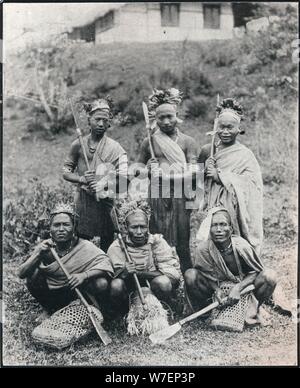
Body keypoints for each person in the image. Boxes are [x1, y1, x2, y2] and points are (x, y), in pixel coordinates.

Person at [137, 88, 199, 273]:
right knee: (158, 238)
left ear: (177, 115)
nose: (165, 121)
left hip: (181, 195)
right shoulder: (149, 142)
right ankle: (163, 277)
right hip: (156, 195)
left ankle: (188, 282)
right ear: (155, 119)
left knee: (182, 240)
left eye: (169, 116)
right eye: (161, 118)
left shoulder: (188, 142)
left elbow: (194, 172)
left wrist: (167, 176)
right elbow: (137, 168)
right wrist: (147, 168)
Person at [18, 203, 114, 315]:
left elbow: (106, 263)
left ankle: (93, 310)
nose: (61, 229)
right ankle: (49, 309)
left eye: (66, 225)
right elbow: (21, 273)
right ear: (50, 228)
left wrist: (84, 275)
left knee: (101, 283)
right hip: (54, 294)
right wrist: (38, 254)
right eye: (57, 225)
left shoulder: (84, 246)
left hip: (77, 291)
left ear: (74, 227)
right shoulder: (45, 248)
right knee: (33, 275)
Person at [198, 98, 263, 255]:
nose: (225, 131)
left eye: (230, 127)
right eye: (222, 127)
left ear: (239, 129)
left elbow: (253, 184)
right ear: (216, 127)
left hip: (236, 207)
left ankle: (242, 270)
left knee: (236, 242)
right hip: (215, 206)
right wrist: (204, 171)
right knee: (214, 237)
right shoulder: (208, 151)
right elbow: (195, 182)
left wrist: (220, 176)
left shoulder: (245, 155)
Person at [62, 98, 128, 252]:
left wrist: (103, 183)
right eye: (97, 119)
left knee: (107, 239)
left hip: (105, 200)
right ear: (89, 120)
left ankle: (106, 270)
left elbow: (123, 176)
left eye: (105, 120)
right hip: (84, 199)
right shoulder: (78, 144)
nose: (100, 124)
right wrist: (82, 179)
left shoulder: (115, 148)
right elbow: (66, 172)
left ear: (109, 122)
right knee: (81, 238)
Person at [185, 207, 277, 314]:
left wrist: (238, 287)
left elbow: (256, 271)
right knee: (190, 275)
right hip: (216, 291)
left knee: (270, 276)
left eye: (223, 224)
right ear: (209, 229)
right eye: (214, 225)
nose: (219, 229)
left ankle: (252, 309)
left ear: (231, 229)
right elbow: (204, 275)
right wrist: (217, 290)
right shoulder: (203, 249)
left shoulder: (241, 246)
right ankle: (209, 311)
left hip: (244, 290)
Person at [107, 201, 181, 316]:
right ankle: (123, 315)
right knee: (116, 285)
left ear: (148, 226)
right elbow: (111, 277)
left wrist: (139, 273)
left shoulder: (157, 242)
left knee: (163, 282)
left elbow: (173, 275)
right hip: (130, 289)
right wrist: (124, 272)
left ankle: (166, 311)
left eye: (143, 227)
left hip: (153, 287)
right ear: (126, 228)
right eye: (134, 227)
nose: (139, 232)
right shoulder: (117, 247)